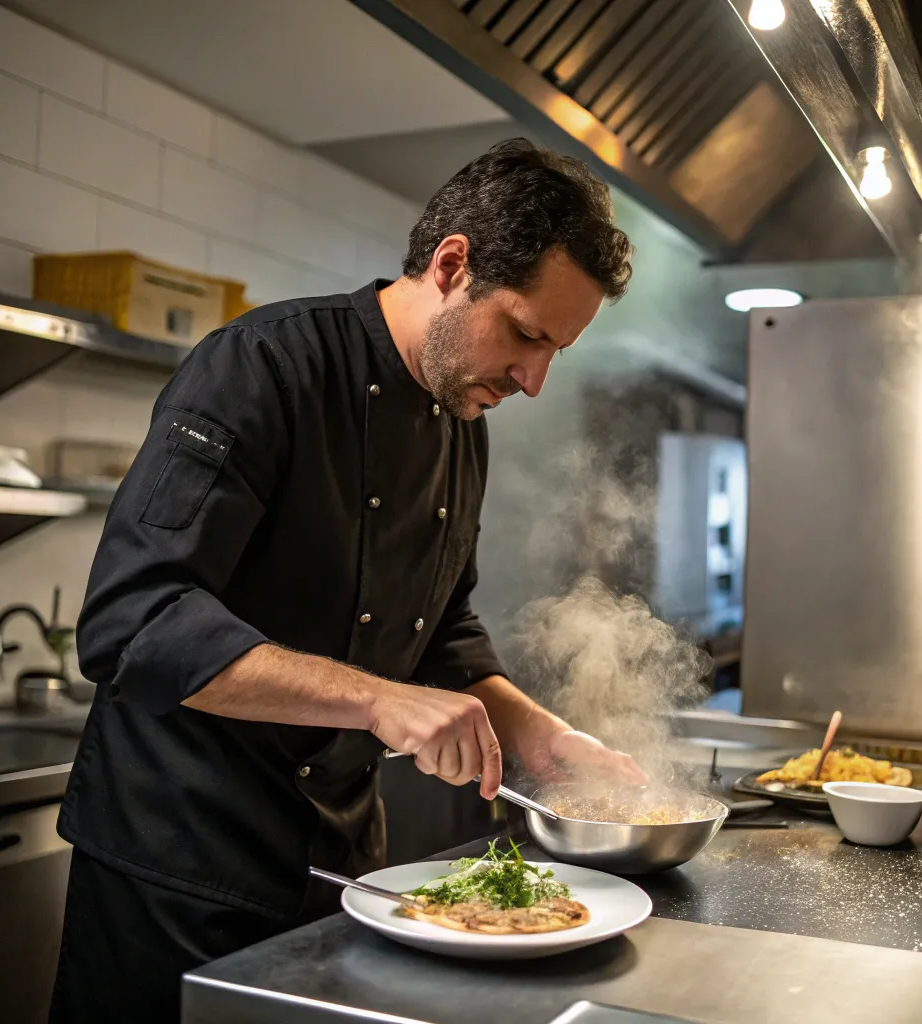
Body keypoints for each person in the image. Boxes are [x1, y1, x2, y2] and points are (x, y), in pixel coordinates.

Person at [49, 138, 639, 1022]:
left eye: (555, 349)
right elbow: (135, 623)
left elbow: (441, 633)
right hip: (175, 867)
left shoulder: (457, 423)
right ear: (452, 264)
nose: (534, 379)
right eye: (524, 333)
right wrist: (376, 702)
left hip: (340, 865)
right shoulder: (262, 366)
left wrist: (544, 738)